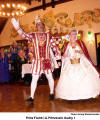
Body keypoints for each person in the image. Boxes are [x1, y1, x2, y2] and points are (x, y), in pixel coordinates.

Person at [11, 16, 60, 103]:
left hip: (46, 60)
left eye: (41, 24)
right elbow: (23, 35)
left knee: (49, 77)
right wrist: (17, 28)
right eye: (38, 25)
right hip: (37, 61)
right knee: (34, 78)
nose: (40, 26)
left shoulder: (49, 35)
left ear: (44, 26)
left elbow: (54, 45)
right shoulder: (33, 35)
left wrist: (57, 54)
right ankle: (32, 97)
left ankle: (52, 93)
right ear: (36, 27)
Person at [55, 29, 100, 100]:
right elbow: (65, 54)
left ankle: (89, 93)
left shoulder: (80, 42)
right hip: (70, 62)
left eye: (75, 34)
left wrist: (79, 51)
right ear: (69, 35)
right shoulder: (67, 44)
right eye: (72, 34)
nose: (74, 35)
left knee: (86, 74)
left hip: (81, 61)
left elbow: (84, 52)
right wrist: (62, 56)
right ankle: (69, 95)